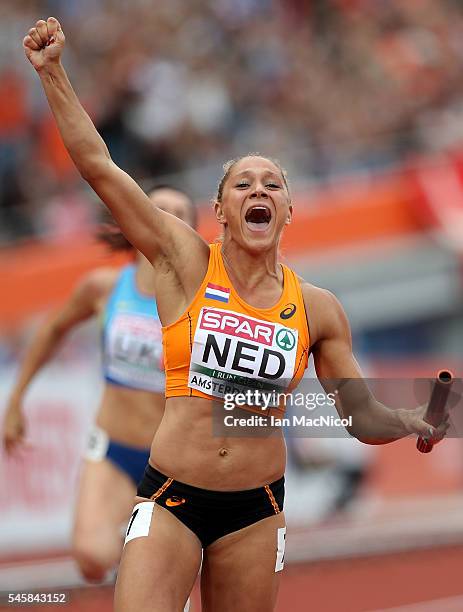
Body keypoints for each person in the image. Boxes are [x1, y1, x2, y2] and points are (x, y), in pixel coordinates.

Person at [22, 18, 449, 612]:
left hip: (257, 510)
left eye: (271, 184)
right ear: (220, 209)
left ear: (287, 210)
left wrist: (411, 420)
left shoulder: (318, 309)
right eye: (242, 184)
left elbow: (360, 417)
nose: (258, 191)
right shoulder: (186, 264)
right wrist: (54, 74)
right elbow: (99, 166)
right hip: (172, 495)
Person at [2, 184, 196, 583]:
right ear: (135, 221)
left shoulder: (205, 300)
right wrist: (17, 400)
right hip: (112, 447)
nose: (167, 219)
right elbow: (52, 329)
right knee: (92, 558)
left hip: (172, 460)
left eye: (179, 213)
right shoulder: (104, 287)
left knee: (157, 574)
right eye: (158, 210)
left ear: (191, 230)